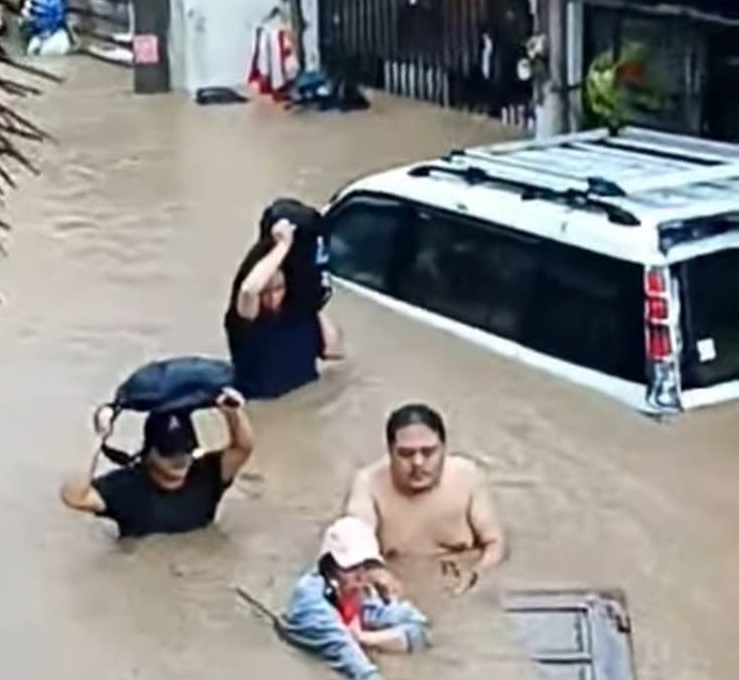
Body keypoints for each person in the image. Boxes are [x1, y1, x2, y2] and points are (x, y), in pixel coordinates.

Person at [345, 403, 506, 592]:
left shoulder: (467, 477)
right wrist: (378, 575)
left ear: (444, 450)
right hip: (396, 587)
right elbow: (355, 542)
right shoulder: (369, 483)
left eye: (428, 452)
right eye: (406, 454)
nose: (418, 463)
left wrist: (477, 574)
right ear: (390, 452)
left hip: (458, 583)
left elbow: (495, 543)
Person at [60, 392, 254, 539]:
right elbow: (74, 496)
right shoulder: (125, 488)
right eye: (169, 452)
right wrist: (99, 437)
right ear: (148, 452)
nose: (180, 460)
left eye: (185, 450)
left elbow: (243, 447)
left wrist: (232, 411)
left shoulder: (206, 474)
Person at [280, 516, 422, 680]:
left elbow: (419, 626)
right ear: (330, 566)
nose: (361, 576)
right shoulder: (310, 601)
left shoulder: (360, 594)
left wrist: (367, 638)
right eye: (352, 568)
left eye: (366, 567)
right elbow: (340, 647)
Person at [225, 220, 342, 402]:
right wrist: (283, 245)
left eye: (278, 288)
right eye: (265, 291)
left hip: (308, 404)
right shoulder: (245, 322)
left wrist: (314, 304)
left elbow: (334, 353)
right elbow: (249, 290)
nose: (271, 298)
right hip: (262, 409)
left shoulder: (303, 312)